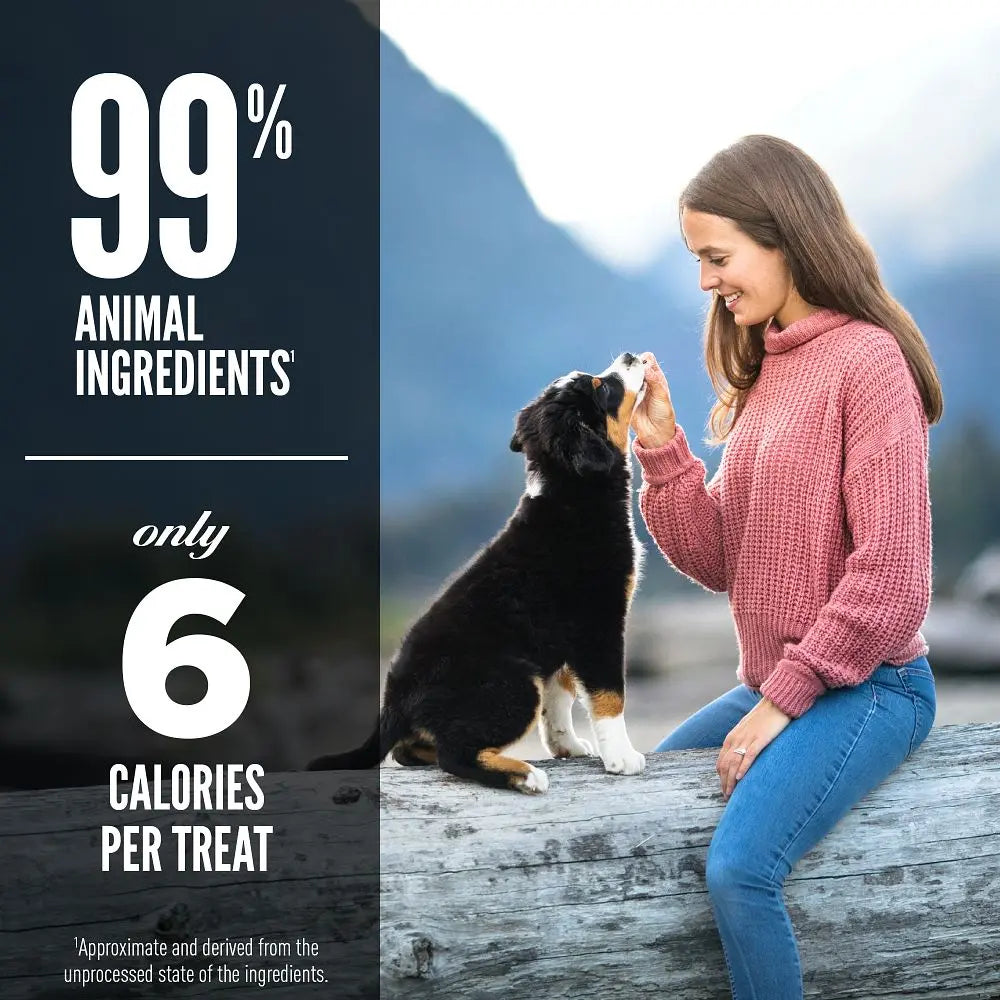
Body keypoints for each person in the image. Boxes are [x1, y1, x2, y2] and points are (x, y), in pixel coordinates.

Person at [629, 134, 942, 1000]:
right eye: (698, 260)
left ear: (783, 237)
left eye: (717, 257)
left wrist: (784, 699)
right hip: (786, 681)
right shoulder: (772, 368)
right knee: (647, 800)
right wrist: (664, 452)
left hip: (874, 686)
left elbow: (894, 579)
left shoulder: (869, 363)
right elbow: (723, 559)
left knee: (740, 870)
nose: (706, 281)